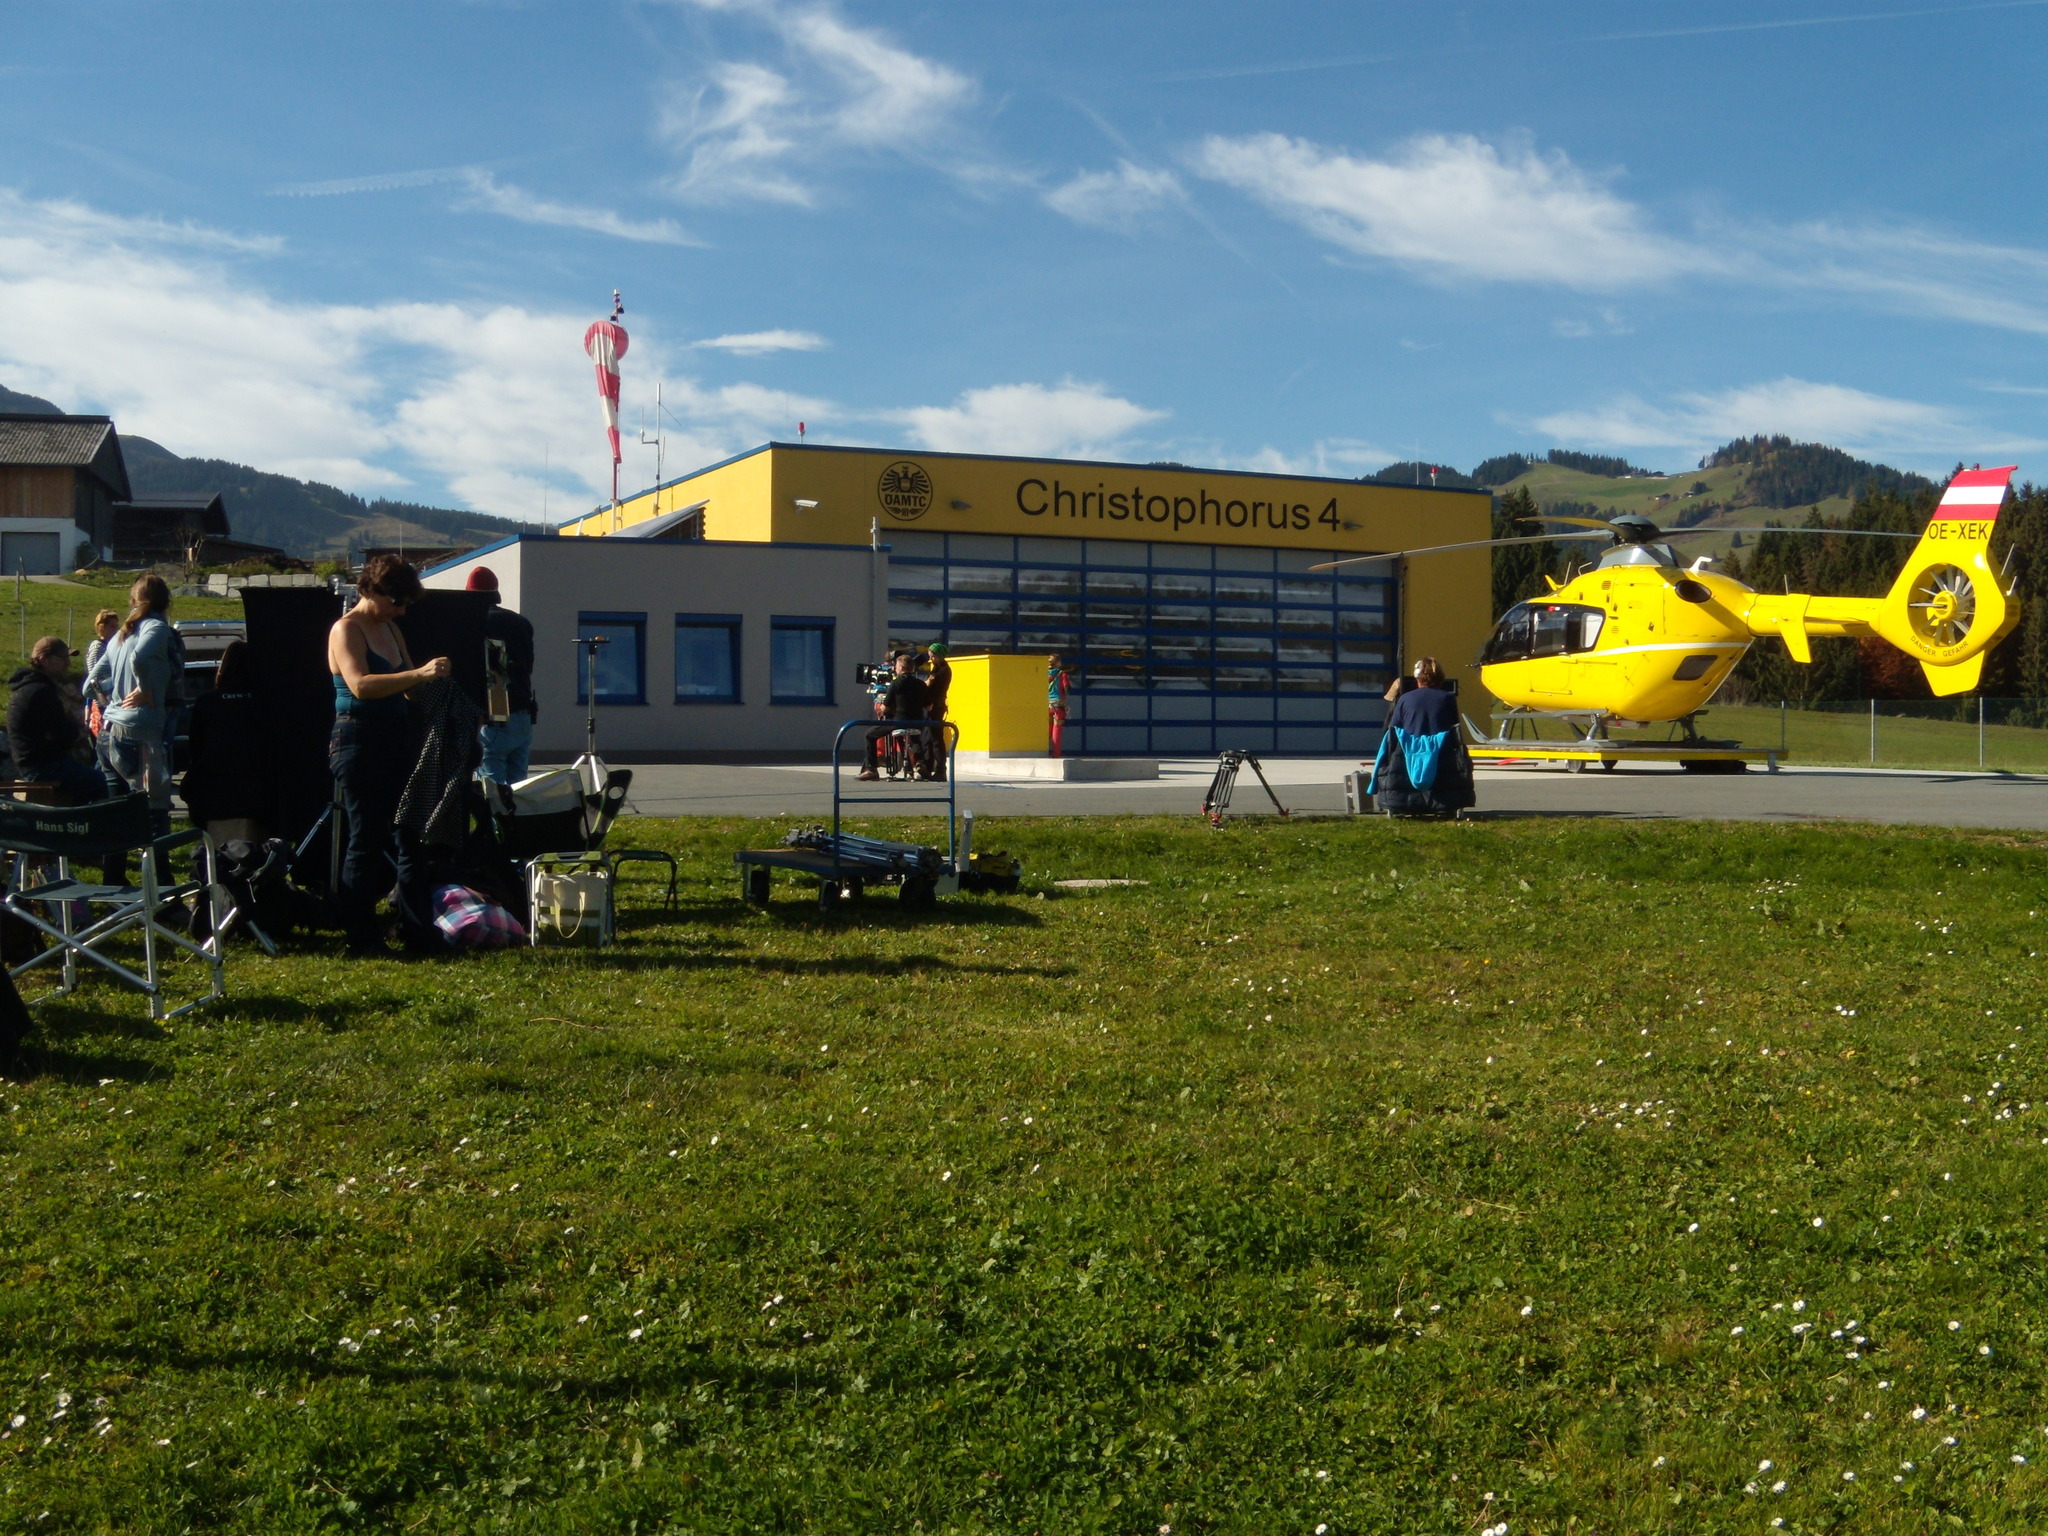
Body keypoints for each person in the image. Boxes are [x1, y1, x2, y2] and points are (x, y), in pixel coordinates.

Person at [327, 554, 451, 954]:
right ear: (373, 589)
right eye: (396, 601)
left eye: (405, 605)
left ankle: (417, 931)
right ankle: (361, 937)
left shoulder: (393, 630)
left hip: (397, 734)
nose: (400, 610)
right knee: (366, 838)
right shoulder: (345, 629)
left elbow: (411, 688)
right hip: (358, 739)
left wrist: (443, 691)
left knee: (411, 835)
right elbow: (361, 685)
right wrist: (418, 674)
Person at [98, 575, 180, 848]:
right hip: (141, 730)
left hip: (108, 730)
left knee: (116, 812)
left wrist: (112, 700)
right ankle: (162, 879)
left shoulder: (120, 636)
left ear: (133, 601)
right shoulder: (156, 628)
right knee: (155, 808)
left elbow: (91, 682)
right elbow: (141, 657)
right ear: (165, 601)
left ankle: (114, 876)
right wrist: (144, 689)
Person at [180, 640, 271, 844]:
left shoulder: (207, 703)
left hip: (216, 793)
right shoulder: (265, 703)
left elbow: (195, 749)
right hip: (258, 794)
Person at [1367, 656, 1475, 816]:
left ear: (1418, 678)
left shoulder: (1405, 699)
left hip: (1408, 753)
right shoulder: (1447, 698)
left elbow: (1395, 729)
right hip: (1441, 753)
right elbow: (1454, 728)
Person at [7, 637, 104, 805]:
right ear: (44, 660)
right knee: (100, 783)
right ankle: (84, 826)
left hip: (31, 764)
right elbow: (65, 733)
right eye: (63, 658)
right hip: (42, 767)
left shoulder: (29, 687)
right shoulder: (40, 692)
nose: (68, 663)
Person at [468, 566, 537, 786]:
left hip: (493, 714)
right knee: (519, 788)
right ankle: (518, 821)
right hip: (523, 713)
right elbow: (528, 665)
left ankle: (497, 821)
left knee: (493, 789)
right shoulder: (522, 623)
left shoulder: (475, 623)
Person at [858, 652, 928, 780]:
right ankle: (920, 763)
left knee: (870, 734)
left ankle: (871, 769)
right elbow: (928, 706)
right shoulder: (921, 684)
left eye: (896, 666)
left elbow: (885, 708)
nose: (894, 668)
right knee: (915, 736)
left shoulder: (896, 683)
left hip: (899, 721)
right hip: (918, 722)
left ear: (901, 667)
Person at [82, 609, 119, 732]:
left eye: (116, 627)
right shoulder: (98, 648)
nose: (116, 630)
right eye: (112, 627)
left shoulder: (112, 646)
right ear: (101, 628)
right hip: (102, 703)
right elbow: (94, 676)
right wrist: (102, 701)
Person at [919, 643, 952, 781]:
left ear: (939, 655)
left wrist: (926, 683)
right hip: (932, 706)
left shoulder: (943, 670)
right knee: (928, 738)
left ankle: (940, 770)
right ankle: (927, 767)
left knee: (936, 739)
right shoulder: (937, 668)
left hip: (936, 708)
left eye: (932, 655)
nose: (930, 658)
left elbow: (930, 684)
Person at [1047, 655, 1071, 758]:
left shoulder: (1044, 674)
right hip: (1058, 707)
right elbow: (1067, 689)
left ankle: (1041, 751)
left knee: (1047, 731)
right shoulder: (1062, 674)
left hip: (1047, 706)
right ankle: (1056, 754)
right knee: (1056, 731)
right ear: (1057, 663)